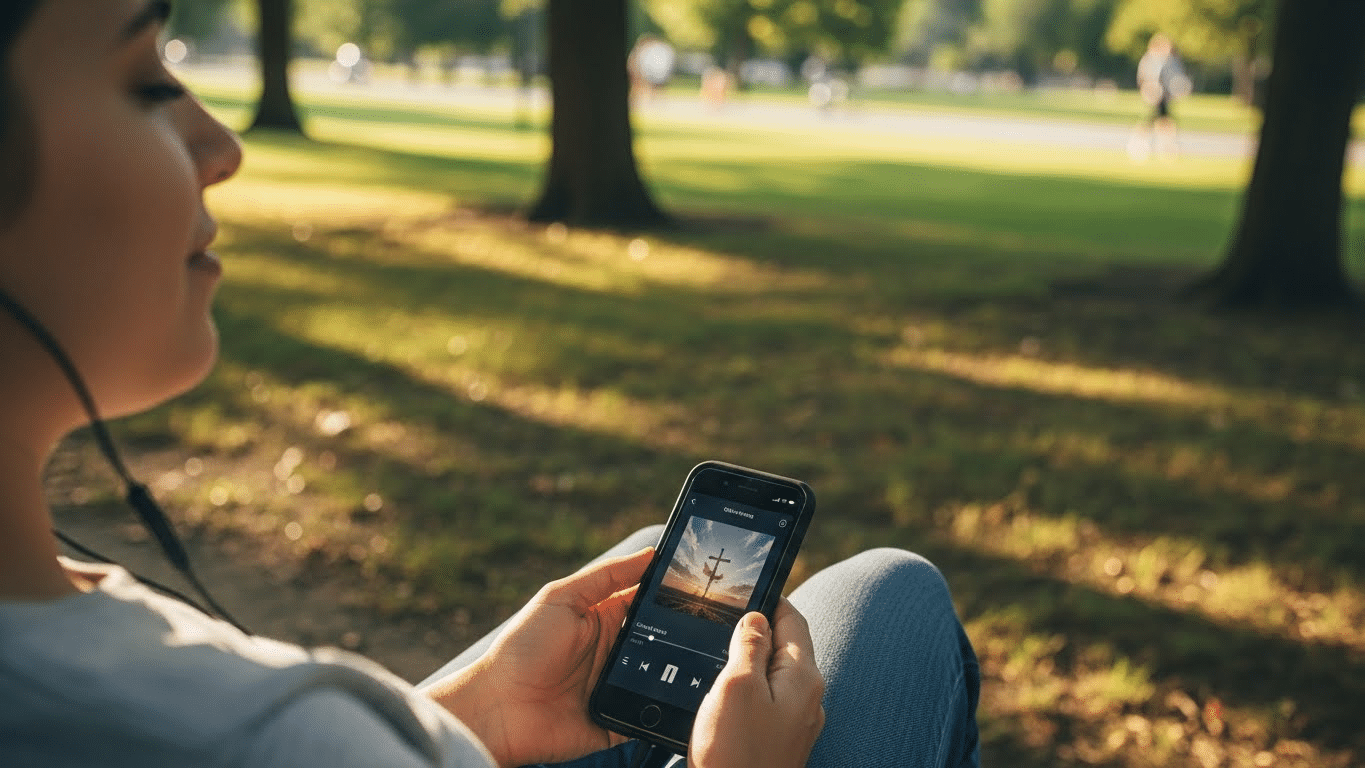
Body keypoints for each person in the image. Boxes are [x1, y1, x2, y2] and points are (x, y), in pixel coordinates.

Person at [0, 2, 980, 766]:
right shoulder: (256, 735)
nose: (220, 148)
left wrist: (476, 711)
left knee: (648, 566)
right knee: (893, 601)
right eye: (142, 79)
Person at [1128, 33, 1191, 162]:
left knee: (1161, 120)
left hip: (1163, 96)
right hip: (1155, 95)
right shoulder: (1152, 60)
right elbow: (1146, 78)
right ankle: (1160, 146)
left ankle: (1164, 146)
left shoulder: (1168, 60)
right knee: (1159, 120)